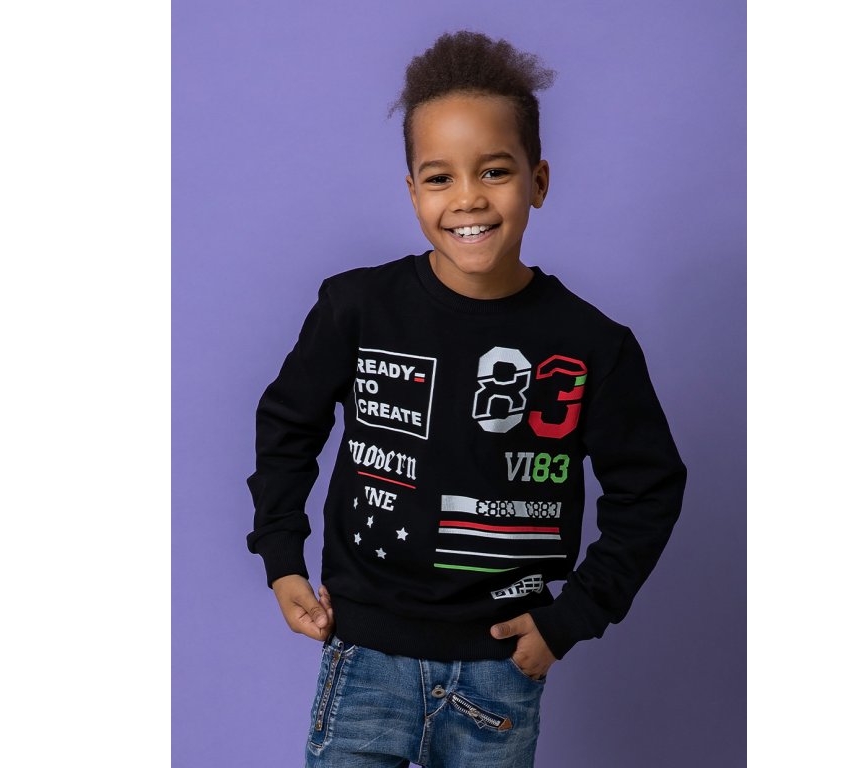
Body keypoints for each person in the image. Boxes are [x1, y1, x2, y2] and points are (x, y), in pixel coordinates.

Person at [246, 29, 687, 768]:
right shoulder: (357, 309)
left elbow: (650, 489)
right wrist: (281, 557)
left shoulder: (592, 345)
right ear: (412, 191)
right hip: (365, 659)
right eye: (440, 177)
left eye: (494, 171)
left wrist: (572, 618)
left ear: (537, 181)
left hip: (498, 672)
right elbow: (287, 424)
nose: (468, 198)